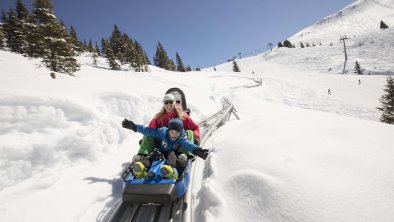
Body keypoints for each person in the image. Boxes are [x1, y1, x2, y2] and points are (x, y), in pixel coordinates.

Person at [122, 118, 209, 179]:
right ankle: (142, 170)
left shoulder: (181, 138)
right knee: (153, 156)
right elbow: (148, 131)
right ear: (169, 130)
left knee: (172, 159)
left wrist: (197, 150)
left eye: (176, 133)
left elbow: (188, 144)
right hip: (162, 152)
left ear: (180, 132)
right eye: (172, 132)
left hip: (173, 155)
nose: (174, 135)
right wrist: (134, 127)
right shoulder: (162, 132)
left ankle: (173, 173)